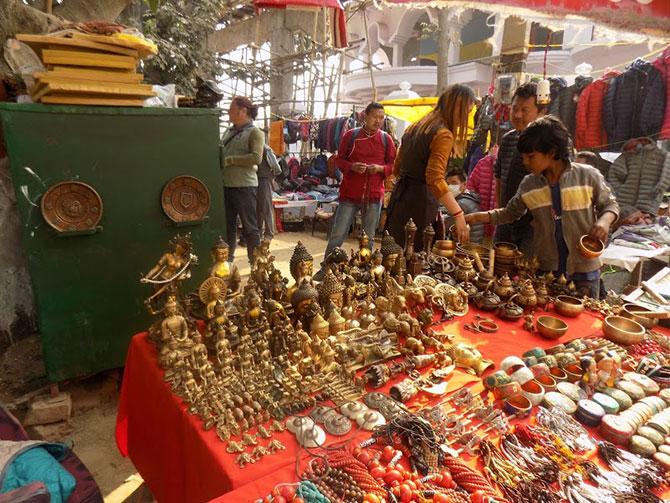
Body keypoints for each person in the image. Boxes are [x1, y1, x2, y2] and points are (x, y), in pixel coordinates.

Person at [466, 116, 619, 299]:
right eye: (523, 157)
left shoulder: (587, 176)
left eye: (531, 157)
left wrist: (604, 221)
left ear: (552, 152)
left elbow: (610, 204)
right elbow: (510, 213)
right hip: (547, 271)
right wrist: (475, 217)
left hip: (584, 269)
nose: (525, 162)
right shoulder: (529, 184)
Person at [386, 84, 475, 250]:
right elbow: (434, 178)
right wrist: (458, 214)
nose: (466, 119)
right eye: (466, 113)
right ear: (457, 107)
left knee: (393, 256)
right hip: (419, 204)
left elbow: (397, 167)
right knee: (414, 259)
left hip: (400, 199)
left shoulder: (416, 126)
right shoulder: (443, 134)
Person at [313, 102, 396, 280]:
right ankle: (326, 269)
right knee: (338, 234)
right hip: (350, 194)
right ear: (365, 117)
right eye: (375, 117)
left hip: (374, 195)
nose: (378, 121)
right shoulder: (350, 136)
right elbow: (339, 161)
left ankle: (366, 272)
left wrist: (380, 169)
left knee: (369, 236)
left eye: (381, 118)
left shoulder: (386, 139)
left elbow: (392, 165)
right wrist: (352, 166)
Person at [494, 82, 548, 255]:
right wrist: (500, 210)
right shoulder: (508, 139)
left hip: (534, 226)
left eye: (525, 110)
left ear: (541, 112)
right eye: (514, 108)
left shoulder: (550, 143)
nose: (517, 115)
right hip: (506, 218)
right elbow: (499, 177)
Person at [220, 96, 263, 262]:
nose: (229, 113)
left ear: (243, 111)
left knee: (250, 228)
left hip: (245, 187)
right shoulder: (228, 132)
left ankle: (256, 264)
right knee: (228, 227)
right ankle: (227, 262)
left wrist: (231, 160)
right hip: (226, 185)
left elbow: (256, 158)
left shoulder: (255, 132)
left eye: (232, 109)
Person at [467, 145, 498, 241]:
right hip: (480, 222)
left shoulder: (508, 165)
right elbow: (470, 188)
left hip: (498, 222)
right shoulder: (483, 163)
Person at [444, 169, 484, 244]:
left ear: (464, 185)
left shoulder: (461, 204)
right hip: (476, 243)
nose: (449, 187)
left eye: (454, 183)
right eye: (447, 184)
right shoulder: (470, 197)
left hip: (467, 247)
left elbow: (445, 226)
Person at [257, 145, 282, 241]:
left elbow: (277, 168)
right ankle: (261, 233)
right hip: (258, 179)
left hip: (263, 180)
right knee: (259, 207)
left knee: (266, 207)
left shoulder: (266, 149)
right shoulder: (260, 148)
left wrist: (270, 176)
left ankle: (269, 233)